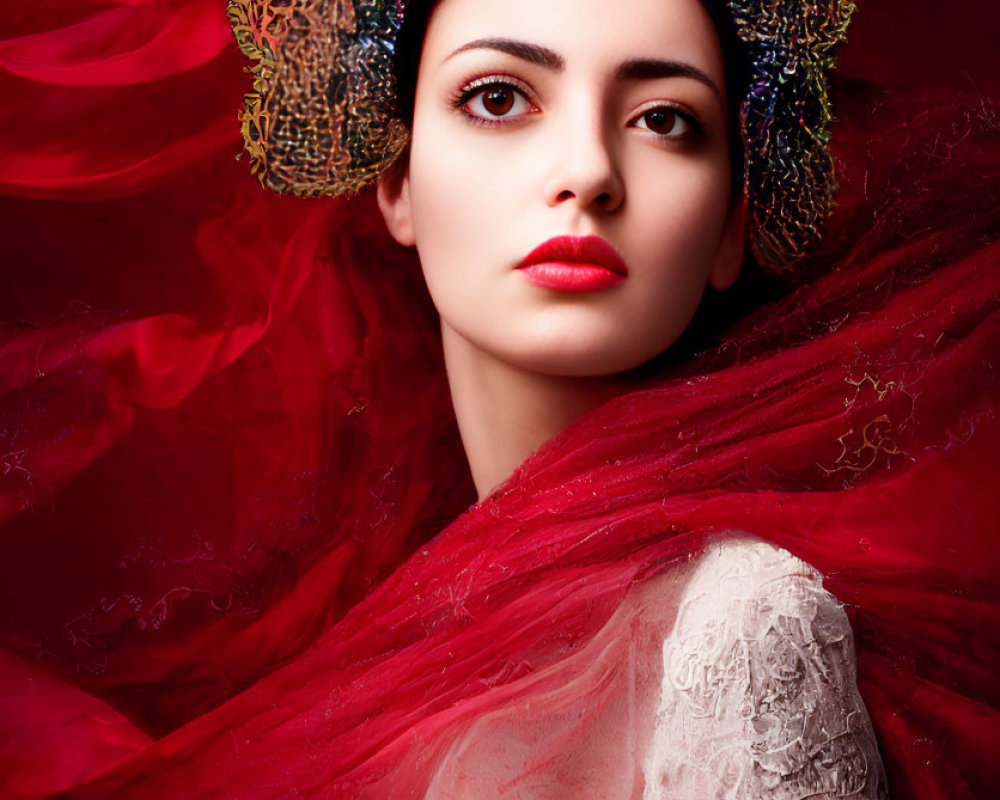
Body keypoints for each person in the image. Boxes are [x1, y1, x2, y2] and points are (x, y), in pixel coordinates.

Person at [0, 0, 997, 797]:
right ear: (393, 181)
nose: (586, 173)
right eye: (496, 97)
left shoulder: (739, 625)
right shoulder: (402, 616)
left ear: (732, 224)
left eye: (663, 118)